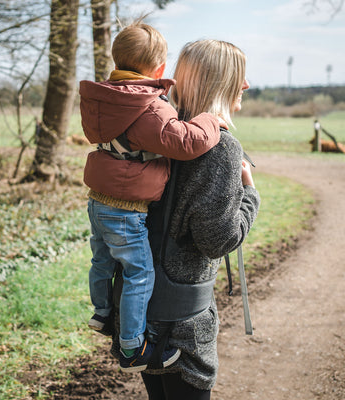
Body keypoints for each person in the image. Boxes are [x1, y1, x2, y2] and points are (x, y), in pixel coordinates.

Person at [110, 39, 260, 399]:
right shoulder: (220, 147)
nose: (247, 84)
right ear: (221, 82)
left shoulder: (161, 131)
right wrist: (250, 196)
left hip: (137, 310)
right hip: (182, 323)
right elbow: (218, 240)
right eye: (240, 76)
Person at [79, 21, 222, 373]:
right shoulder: (147, 107)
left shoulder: (103, 99)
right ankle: (131, 347)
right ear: (159, 68)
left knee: (102, 261)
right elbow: (186, 142)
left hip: (99, 200)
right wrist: (210, 120)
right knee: (138, 273)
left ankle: (101, 313)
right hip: (126, 209)